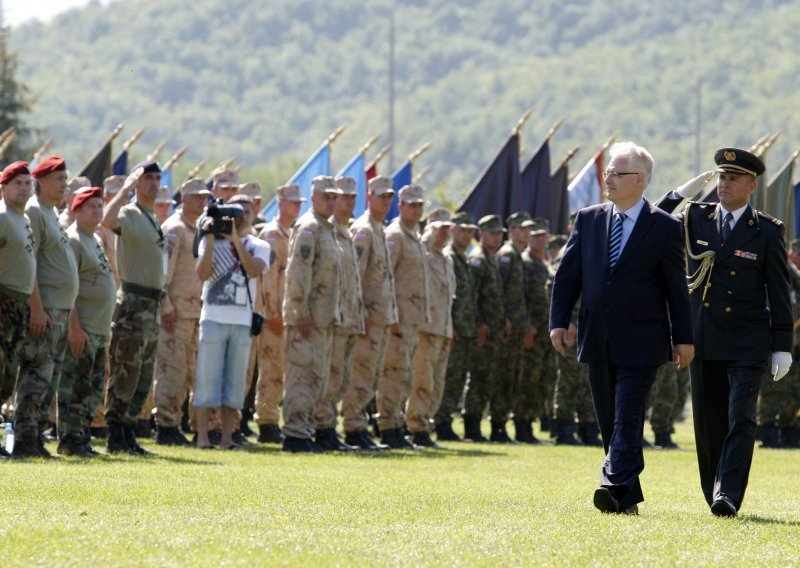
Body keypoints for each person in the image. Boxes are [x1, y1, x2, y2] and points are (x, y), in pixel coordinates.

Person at [550, 141, 694, 515]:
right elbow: (567, 277)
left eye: (617, 173)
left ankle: (611, 484)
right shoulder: (588, 218)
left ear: (640, 180)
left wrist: (684, 338)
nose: (608, 178)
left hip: (643, 340)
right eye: (607, 172)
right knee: (610, 421)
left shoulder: (663, 227)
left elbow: (676, 287)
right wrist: (558, 320)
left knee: (627, 416)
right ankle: (625, 497)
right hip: (596, 335)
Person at [656, 147, 793, 517]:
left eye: (733, 178)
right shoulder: (695, 218)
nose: (724, 183)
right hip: (703, 337)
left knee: (741, 417)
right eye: (721, 176)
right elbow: (649, 222)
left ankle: (728, 493)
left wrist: (782, 346)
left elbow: (779, 293)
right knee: (708, 422)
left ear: (751, 185)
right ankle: (713, 491)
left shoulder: (765, 231)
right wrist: (676, 195)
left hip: (748, 340)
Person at [13, 156, 79, 458]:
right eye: (58, 179)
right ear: (40, 183)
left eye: (66, 178)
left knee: (49, 380)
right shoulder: (35, 212)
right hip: (46, 309)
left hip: (61, 310)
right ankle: (25, 439)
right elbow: (32, 265)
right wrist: (37, 308)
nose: (64, 184)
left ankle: (36, 438)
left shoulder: (52, 213)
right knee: (35, 378)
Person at [101, 161, 167, 455]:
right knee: (125, 370)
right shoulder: (129, 213)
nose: (153, 183)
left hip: (152, 304)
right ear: (139, 184)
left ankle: (128, 431)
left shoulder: (152, 219)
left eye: (157, 178)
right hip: (133, 303)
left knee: (142, 374)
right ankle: (115, 434)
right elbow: (107, 219)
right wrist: (126, 188)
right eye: (148, 178)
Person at [195, 194, 269, 450]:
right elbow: (202, 274)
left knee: (234, 384)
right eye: (236, 214)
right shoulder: (210, 241)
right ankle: (203, 437)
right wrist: (210, 240)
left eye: (246, 212)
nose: (241, 217)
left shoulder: (259, 245)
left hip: (241, 322)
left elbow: (254, 270)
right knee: (206, 381)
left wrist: (236, 241)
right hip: (213, 319)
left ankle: (227, 439)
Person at [281, 176, 342, 452]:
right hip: (307, 318)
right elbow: (297, 273)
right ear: (314, 197)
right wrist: (299, 309)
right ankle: (295, 435)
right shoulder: (308, 227)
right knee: (302, 375)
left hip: (323, 318)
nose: (332, 201)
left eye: (334, 196)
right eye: (327, 196)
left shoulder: (326, 228)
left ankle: (305, 431)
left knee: (316, 377)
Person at [57, 187, 116, 456]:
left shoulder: (94, 239)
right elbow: (69, 289)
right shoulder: (74, 241)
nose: (97, 210)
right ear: (76, 210)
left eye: (99, 206)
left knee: (92, 388)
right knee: (76, 386)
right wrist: (75, 328)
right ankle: (70, 439)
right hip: (84, 329)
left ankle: (81, 437)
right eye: (90, 206)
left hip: (99, 329)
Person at [152, 178, 211, 446]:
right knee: (171, 371)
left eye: (205, 197)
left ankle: (176, 422)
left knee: (188, 372)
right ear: (184, 199)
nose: (203, 201)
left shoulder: (197, 228)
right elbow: (163, 272)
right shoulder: (175, 230)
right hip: (175, 313)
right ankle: (166, 425)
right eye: (197, 197)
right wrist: (166, 306)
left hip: (193, 312)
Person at [341, 176, 397, 450]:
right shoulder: (363, 230)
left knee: (370, 375)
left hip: (380, 319)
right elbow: (356, 276)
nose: (386, 201)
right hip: (366, 319)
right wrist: (358, 315)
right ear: (369, 197)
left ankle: (359, 424)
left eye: (389, 197)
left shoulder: (379, 229)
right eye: (381, 196)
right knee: (360, 373)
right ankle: (352, 426)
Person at [313, 175, 364, 451]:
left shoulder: (346, 233)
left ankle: (330, 427)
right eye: (342, 196)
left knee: (340, 378)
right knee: (329, 376)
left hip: (348, 317)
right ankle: (323, 428)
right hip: (331, 317)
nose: (346, 201)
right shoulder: (325, 230)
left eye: (352, 196)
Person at [379, 184, 430, 449]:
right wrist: (393, 316)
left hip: (412, 320)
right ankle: (388, 427)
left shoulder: (416, 235)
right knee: (393, 374)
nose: (417, 209)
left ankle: (397, 425)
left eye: (420, 204)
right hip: (398, 320)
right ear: (400, 206)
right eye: (411, 204)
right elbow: (386, 276)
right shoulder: (395, 235)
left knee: (405, 375)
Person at [255, 183, 304, 443]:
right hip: (275, 317)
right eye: (292, 202)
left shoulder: (293, 232)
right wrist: (273, 313)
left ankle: (274, 419)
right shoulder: (272, 235)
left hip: (290, 316)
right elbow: (268, 277)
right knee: (270, 371)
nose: (296, 207)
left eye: (299, 203)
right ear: (280, 202)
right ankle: (266, 422)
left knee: (284, 372)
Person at [405, 208, 455, 448]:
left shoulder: (446, 259)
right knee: (422, 381)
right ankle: (416, 427)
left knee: (437, 383)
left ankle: (425, 423)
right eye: (441, 228)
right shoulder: (423, 253)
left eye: (448, 228)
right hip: (426, 329)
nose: (445, 233)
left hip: (443, 328)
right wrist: (429, 233)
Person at [0, 162, 36, 458]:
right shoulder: (2, 216)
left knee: (7, 376)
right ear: (4, 187)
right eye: (18, 183)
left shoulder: (23, 220)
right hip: (2, 302)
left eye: (28, 183)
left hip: (18, 306)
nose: (24, 188)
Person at [434, 211, 478, 441]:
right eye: (463, 229)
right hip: (454, 330)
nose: (467, 234)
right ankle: (439, 422)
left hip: (466, 330)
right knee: (448, 378)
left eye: (471, 231)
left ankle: (445, 421)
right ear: (453, 231)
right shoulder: (449, 256)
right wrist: (451, 326)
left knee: (457, 379)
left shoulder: (464, 259)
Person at [463, 214, 507, 442]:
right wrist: (479, 323)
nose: (497, 237)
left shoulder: (492, 259)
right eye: (492, 232)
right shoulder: (478, 259)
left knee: (488, 379)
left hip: (494, 332)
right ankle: (471, 427)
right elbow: (471, 297)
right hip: (483, 332)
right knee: (478, 379)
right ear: (481, 233)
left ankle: (478, 426)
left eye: (499, 233)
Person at [494, 211, 535, 443]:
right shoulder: (507, 255)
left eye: (528, 229)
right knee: (504, 378)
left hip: (519, 328)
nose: (526, 233)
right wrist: (504, 320)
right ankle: (497, 425)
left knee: (514, 378)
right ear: (511, 230)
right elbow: (497, 292)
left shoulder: (519, 256)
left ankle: (505, 426)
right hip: (508, 330)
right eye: (521, 228)